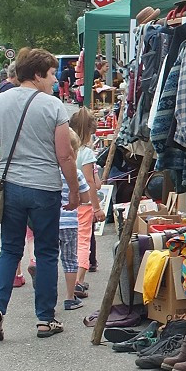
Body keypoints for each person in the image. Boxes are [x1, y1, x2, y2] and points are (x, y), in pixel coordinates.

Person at [0, 47, 80, 340]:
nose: (54, 79)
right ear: (37, 75)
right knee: (47, 251)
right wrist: (73, 190)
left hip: (11, 186)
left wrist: (3, 167)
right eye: (51, 74)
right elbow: (65, 156)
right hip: (45, 188)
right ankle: (45, 320)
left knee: (10, 250)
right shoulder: (53, 106)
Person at [68, 108, 105, 298]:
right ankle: (78, 281)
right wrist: (97, 208)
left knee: (69, 241)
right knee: (83, 241)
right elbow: (92, 183)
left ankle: (69, 276)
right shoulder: (87, 154)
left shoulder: (68, 150)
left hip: (66, 200)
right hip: (84, 203)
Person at [58, 130, 91, 312]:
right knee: (70, 260)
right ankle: (70, 298)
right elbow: (85, 198)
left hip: (49, 222)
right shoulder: (76, 173)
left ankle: (44, 292)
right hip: (69, 223)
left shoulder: (49, 172)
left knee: (47, 257)